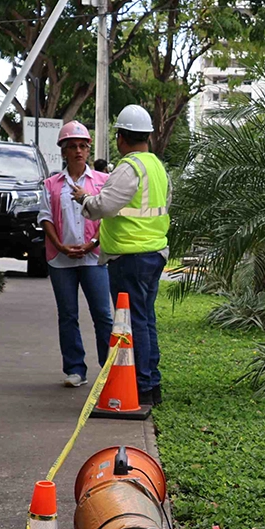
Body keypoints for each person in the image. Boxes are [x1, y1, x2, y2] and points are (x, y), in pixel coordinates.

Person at [72, 105, 170, 406]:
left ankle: (140, 385)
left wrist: (84, 199)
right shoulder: (156, 166)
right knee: (145, 318)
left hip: (130, 257)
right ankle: (151, 383)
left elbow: (105, 206)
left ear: (122, 138)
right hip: (153, 252)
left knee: (134, 321)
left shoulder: (129, 168)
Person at [38, 121, 113, 387]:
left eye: (83, 146)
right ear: (64, 151)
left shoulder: (102, 181)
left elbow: (108, 218)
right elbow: (45, 218)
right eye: (73, 147)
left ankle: (108, 369)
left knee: (102, 314)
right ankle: (74, 369)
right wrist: (59, 246)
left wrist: (92, 243)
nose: (79, 151)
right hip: (61, 260)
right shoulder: (52, 184)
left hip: (94, 258)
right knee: (68, 314)